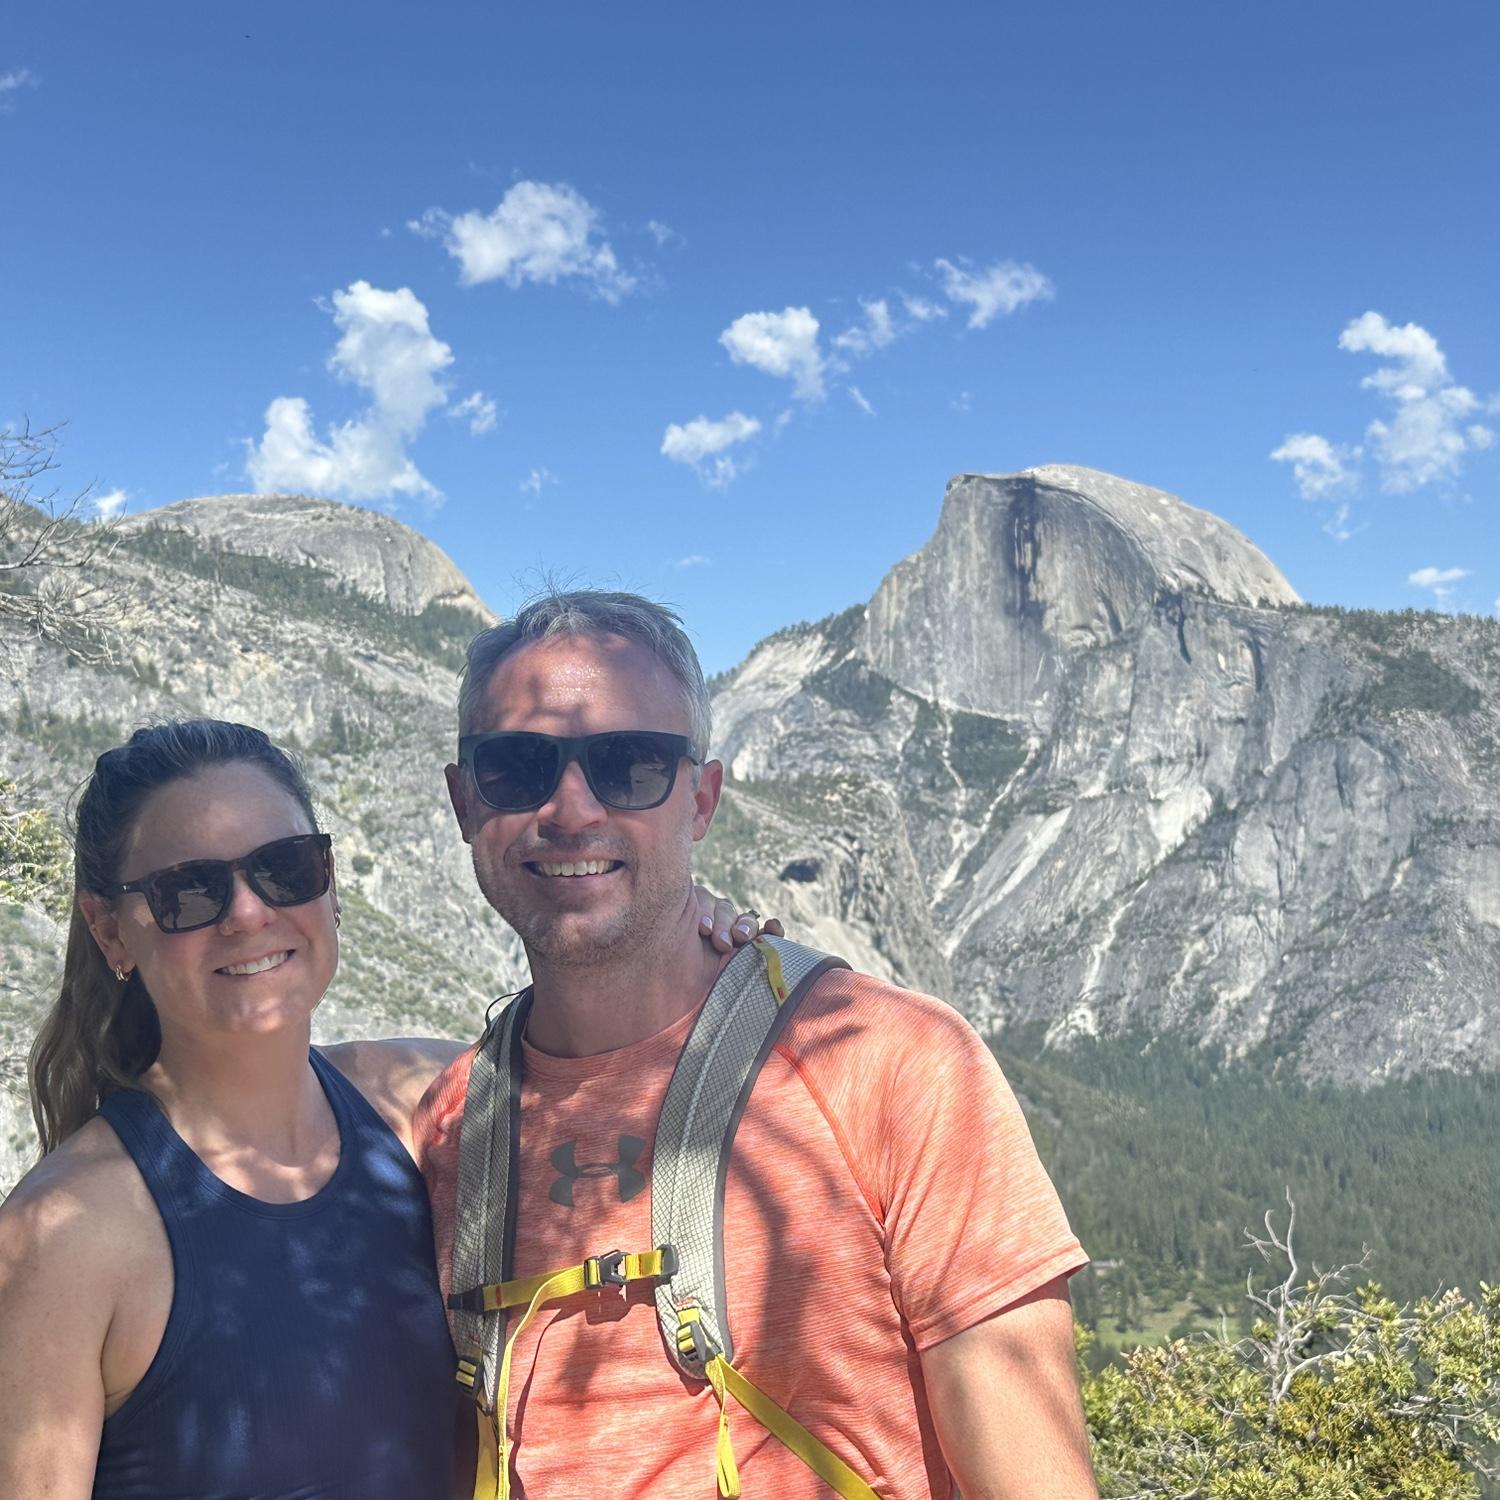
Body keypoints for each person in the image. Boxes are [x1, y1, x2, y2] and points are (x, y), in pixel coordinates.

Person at [419, 590, 1099, 1499]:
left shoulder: (894, 1065)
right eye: (516, 769)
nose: (572, 808)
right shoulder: (448, 1128)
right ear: (466, 803)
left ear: (700, 799)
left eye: (628, 765)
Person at [0, 717, 765, 1498]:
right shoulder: (64, 1240)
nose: (247, 913)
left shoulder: (419, 1104)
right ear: (109, 930)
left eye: (284, 868)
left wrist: (691, 937)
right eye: (188, 893)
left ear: (327, 884)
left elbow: (645, 1103)